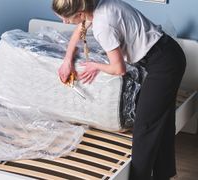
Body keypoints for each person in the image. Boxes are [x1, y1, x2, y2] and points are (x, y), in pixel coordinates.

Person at [52, 0, 186, 179]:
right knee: (162, 120)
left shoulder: (102, 26)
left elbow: (119, 69)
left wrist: (96, 66)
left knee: (144, 127)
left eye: (66, 19)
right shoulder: (97, 6)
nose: (64, 23)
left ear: (80, 13)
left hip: (164, 63)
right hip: (167, 54)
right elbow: (79, 31)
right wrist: (67, 60)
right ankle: (164, 174)